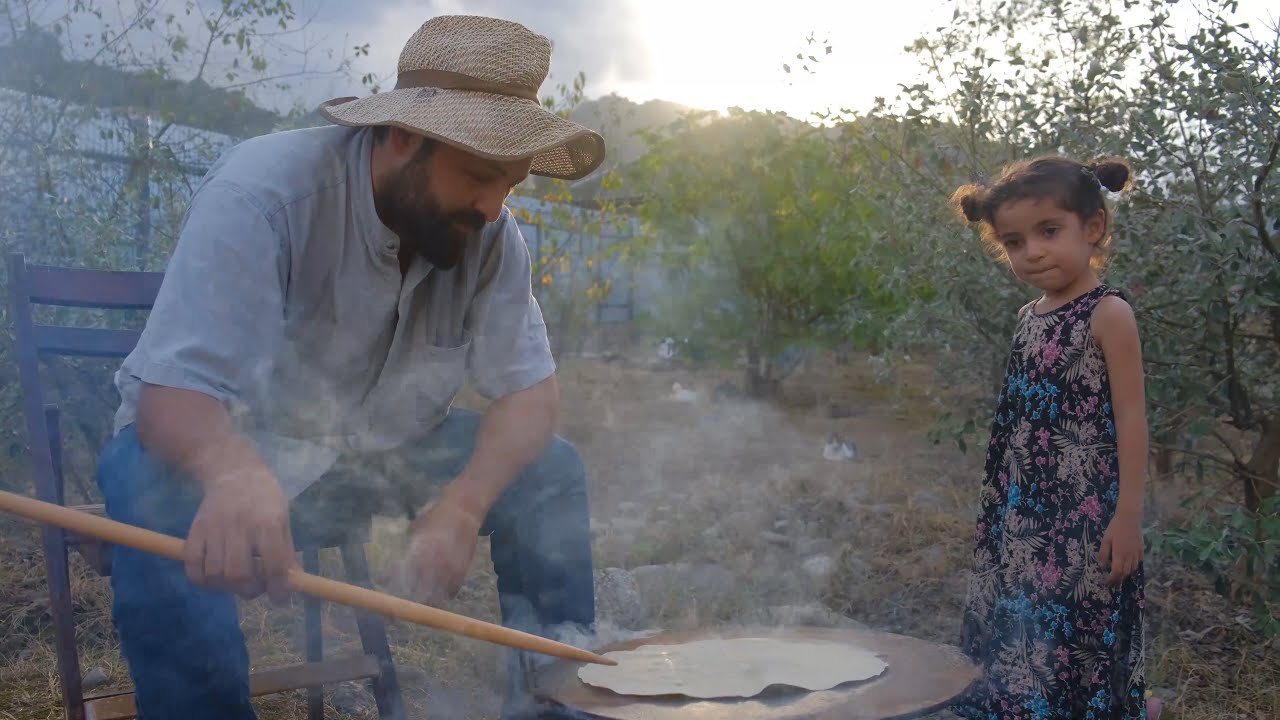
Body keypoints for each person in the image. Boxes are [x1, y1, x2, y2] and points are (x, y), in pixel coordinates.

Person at [95, 14, 606, 720]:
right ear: (403, 137)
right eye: (481, 176)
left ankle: (562, 702)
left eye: (512, 184)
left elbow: (531, 397)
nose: (494, 208)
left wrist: (461, 505)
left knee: (549, 470)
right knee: (149, 491)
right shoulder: (263, 194)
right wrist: (233, 470)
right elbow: (169, 397)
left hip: (376, 456)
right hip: (236, 458)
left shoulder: (489, 233)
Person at [946, 155, 1155, 719]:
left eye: (1049, 231)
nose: (1032, 252)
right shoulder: (1029, 316)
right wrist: (1005, 501)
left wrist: (1127, 515)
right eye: (1014, 242)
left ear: (1092, 228)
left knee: (1078, 619)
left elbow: (1132, 418)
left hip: (1085, 511)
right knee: (1023, 615)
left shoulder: (1107, 314)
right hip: (1027, 508)